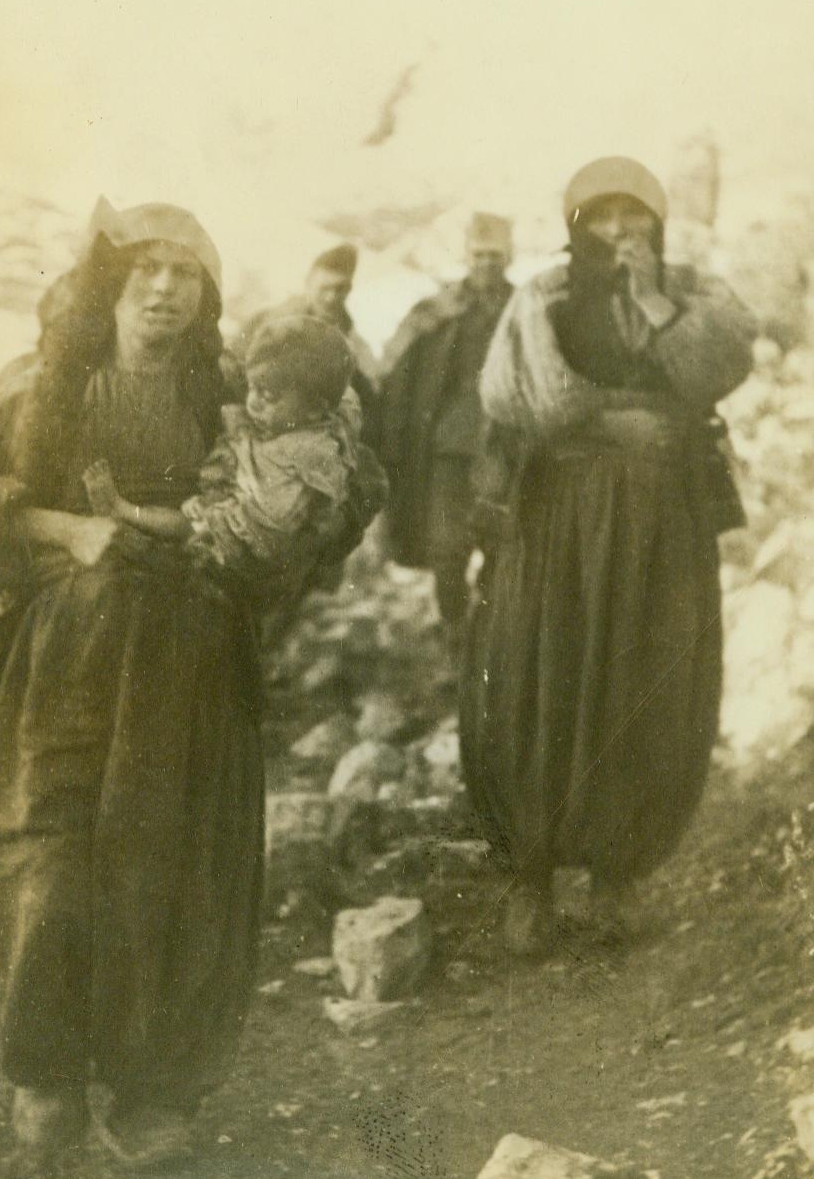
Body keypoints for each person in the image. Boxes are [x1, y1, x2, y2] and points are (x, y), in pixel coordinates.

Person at [0, 199, 266, 1173]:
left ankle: (153, 1086)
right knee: (46, 860)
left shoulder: (226, 397)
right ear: (109, 286)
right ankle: (45, 1079)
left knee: (176, 868)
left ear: (206, 295)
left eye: (184, 274)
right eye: (145, 270)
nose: (163, 290)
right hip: (63, 667)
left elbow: (273, 523)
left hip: (190, 671)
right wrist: (67, 530)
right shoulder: (43, 386)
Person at [460, 157, 755, 955]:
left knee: (643, 680)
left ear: (659, 222)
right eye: (601, 216)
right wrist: (618, 419)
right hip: (559, 522)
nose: (619, 231)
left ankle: (615, 879)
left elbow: (719, 370)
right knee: (539, 678)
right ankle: (530, 878)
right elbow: (520, 396)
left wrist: (656, 304)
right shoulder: (543, 296)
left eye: (635, 215)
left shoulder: (694, 291)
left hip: (661, 526)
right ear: (575, 225)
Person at [82, 313, 371, 609]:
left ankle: (122, 510)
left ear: (315, 410)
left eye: (269, 396)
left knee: (186, 531)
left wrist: (220, 512)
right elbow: (345, 399)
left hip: (255, 548)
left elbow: (277, 520)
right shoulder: (307, 417)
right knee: (190, 521)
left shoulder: (312, 451)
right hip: (248, 516)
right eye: (253, 388)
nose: (254, 401)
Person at [378, 212, 514, 631]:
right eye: (479, 254)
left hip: (508, 445)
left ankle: (491, 631)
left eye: (495, 255)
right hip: (450, 444)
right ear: (467, 256)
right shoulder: (440, 309)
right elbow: (396, 364)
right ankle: (454, 626)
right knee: (447, 546)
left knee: (504, 544)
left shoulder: (523, 307)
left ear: (508, 257)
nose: (486, 263)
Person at [238, 243, 381, 447]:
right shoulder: (268, 323)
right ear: (309, 283)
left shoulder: (353, 343)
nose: (331, 297)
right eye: (324, 288)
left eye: (340, 289)